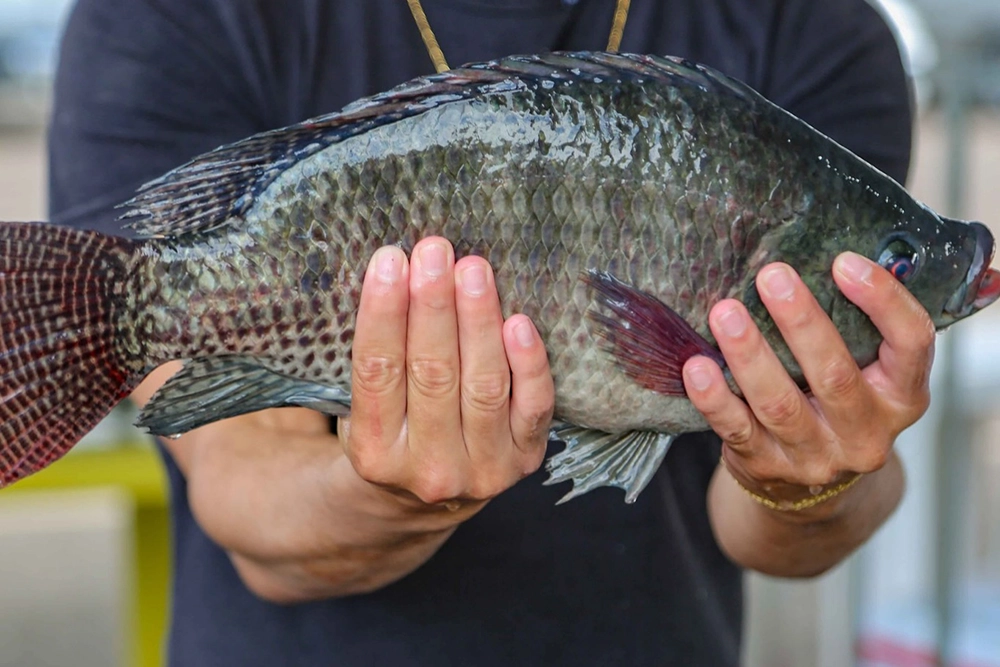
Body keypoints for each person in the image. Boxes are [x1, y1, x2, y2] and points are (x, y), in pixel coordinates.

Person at [48, 0, 924, 664]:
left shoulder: (814, 28)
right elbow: (245, 485)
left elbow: (779, 532)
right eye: (899, 256)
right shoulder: (170, 15)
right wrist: (386, 492)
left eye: (898, 257)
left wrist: (812, 477)